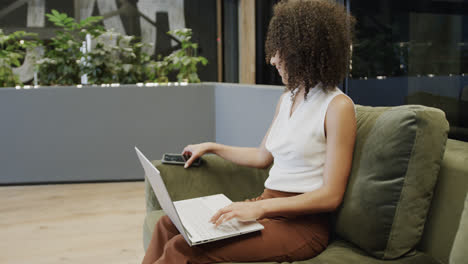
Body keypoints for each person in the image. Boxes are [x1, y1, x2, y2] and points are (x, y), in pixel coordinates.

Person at [142, 0, 356, 263]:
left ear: (306, 51)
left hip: (302, 226)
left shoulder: (338, 107)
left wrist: (259, 207)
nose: (273, 59)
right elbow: (261, 156)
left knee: (181, 250)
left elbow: (331, 196)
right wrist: (211, 146)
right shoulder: (288, 98)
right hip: (266, 207)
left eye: (282, 50)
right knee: (167, 225)